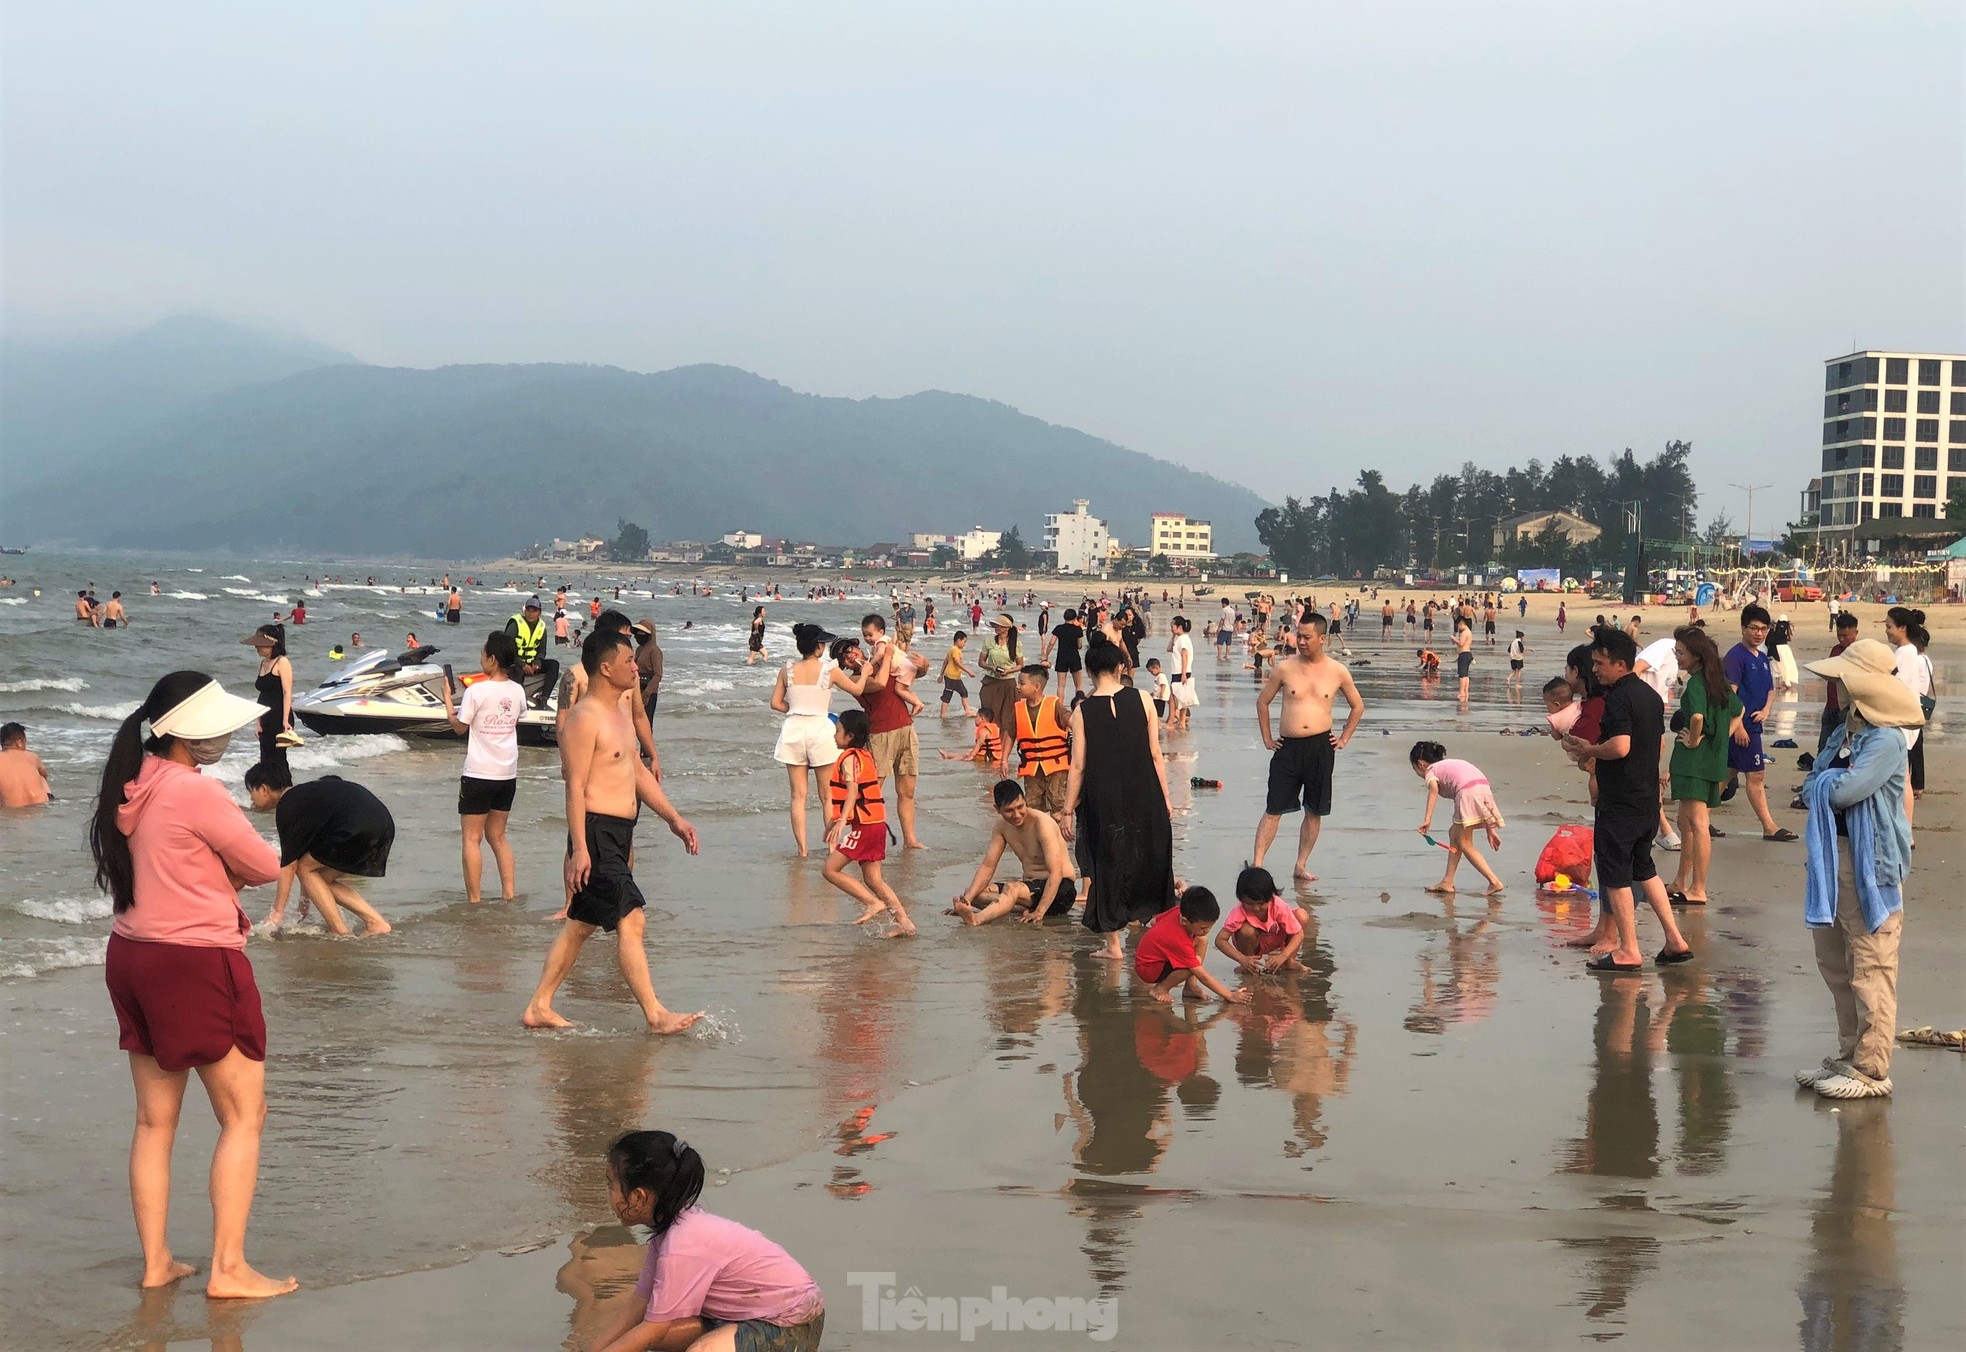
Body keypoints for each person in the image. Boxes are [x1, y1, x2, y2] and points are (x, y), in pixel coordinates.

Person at [89, 671, 297, 1299]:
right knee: (244, 1114)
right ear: (191, 732)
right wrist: (223, 868)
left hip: (130, 954)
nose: (229, 735)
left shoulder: (133, 782)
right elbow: (265, 864)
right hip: (194, 960)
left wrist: (210, 866)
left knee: (155, 1122)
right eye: (220, 726)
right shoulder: (193, 792)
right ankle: (228, 1269)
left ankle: (157, 1263)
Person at [523, 629, 702, 1033]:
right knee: (632, 918)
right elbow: (574, 787)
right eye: (627, 662)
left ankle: (539, 1006)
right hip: (596, 832)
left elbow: (636, 772)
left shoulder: (619, 713)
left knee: (580, 925)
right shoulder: (583, 720)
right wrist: (580, 850)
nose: (635, 666)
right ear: (606, 668)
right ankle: (655, 1014)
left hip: (619, 833)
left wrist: (674, 818)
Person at [1796, 639, 1921, 1100]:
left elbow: (1842, 790)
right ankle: (1849, 1054)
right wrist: (1822, 783)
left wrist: (1821, 783)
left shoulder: (1887, 739)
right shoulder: (1843, 731)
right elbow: (1816, 781)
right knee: (1834, 961)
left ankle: (1871, 1067)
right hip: (1833, 858)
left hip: (1874, 863)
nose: (1837, 688)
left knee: (1871, 963)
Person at [586, 1131, 824, 1352]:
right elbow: (639, 1303)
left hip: (790, 1322)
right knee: (656, 1337)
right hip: (747, 1314)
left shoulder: (681, 1245)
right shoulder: (667, 1233)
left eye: (611, 1185)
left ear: (638, 1197)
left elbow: (653, 1329)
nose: (609, 1194)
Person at [1560, 628, 1695, 970]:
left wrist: (1589, 749)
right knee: (1644, 868)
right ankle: (1674, 940)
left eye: (1600, 663)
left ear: (1620, 664)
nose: (1595, 670)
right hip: (1647, 798)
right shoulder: (1649, 695)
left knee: (1617, 873)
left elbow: (1620, 746)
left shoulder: (1618, 698)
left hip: (1621, 800)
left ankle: (1628, 950)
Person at [1065, 642, 1174, 961]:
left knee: (1106, 863)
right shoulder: (1143, 698)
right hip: (1145, 790)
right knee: (1150, 858)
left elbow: (1078, 766)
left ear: (1088, 672)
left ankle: (1114, 947)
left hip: (1103, 797)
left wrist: (1067, 810)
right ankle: (1154, 931)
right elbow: (1156, 753)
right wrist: (1166, 798)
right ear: (1120, 668)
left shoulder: (1082, 710)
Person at [1252, 614, 1364, 883]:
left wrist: (1345, 738)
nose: (1300, 641)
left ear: (1321, 639)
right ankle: (1257, 864)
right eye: (1298, 636)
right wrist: (1267, 738)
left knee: (1314, 810)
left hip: (1320, 747)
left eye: (1306, 637)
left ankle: (1301, 864)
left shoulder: (1337, 671)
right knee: (1274, 807)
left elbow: (1357, 706)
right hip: (1287, 747)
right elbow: (1262, 702)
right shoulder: (1285, 668)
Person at [245, 762, 396, 936]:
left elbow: (290, 865)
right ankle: (376, 922)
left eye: (251, 792)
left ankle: (340, 929)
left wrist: (276, 914)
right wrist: (303, 907)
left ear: (264, 789)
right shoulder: (306, 798)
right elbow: (304, 860)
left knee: (306, 869)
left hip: (356, 828)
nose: (251, 799)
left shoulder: (288, 805)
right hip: (383, 825)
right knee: (320, 878)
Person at [440, 631, 525, 904]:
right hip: (507, 773)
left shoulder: (476, 691)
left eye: (483, 654)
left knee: (471, 839)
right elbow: (517, 717)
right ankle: (508, 894)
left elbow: (458, 728)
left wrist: (447, 703)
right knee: (498, 837)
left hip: (479, 772)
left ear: (492, 658)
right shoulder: (517, 690)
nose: (480, 659)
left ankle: (474, 900)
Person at [1664, 624, 1741, 907]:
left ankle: (1698, 887)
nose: (1677, 656)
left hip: (1695, 761)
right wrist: (1720, 738)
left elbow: (1696, 718)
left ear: (1696, 655)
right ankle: (1681, 881)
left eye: (1681, 652)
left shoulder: (1696, 684)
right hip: (1712, 759)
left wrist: (1696, 740)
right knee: (1685, 821)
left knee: (1697, 823)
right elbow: (1739, 711)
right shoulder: (1716, 681)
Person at [821, 709, 915, 936]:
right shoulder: (863, 756)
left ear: (850, 736)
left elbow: (852, 792)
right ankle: (905, 924)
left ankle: (872, 903)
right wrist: (831, 826)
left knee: (830, 870)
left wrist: (842, 820)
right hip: (876, 824)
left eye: (838, 731)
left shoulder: (850, 759)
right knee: (874, 879)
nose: (834, 736)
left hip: (866, 827)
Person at [948, 779, 1078, 925]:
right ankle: (1007, 906)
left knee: (1012, 889)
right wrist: (967, 901)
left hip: (1061, 891)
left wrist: (1039, 912)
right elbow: (988, 866)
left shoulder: (1042, 823)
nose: (1017, 815)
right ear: (997, 809)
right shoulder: (1001, 826)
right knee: (974, 893)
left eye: (1020, 807)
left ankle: (976, 920)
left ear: (1025, 801)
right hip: (1030, 888)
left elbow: (1056, 872)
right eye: (1009, 810)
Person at [1722, 604, 1796, 841]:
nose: (1759, 633)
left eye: (1763, 629)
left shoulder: (1763, 657)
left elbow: (1770, 689)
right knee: (1756, 775)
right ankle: (1769, 826)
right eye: (1754, 628)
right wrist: (1739, 726)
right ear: (1743, 628)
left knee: (1727, 774)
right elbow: (1729, 696)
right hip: (1741, 727)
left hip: (1755, 723)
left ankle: (1699, 814)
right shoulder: (1735, 657)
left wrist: (1766, 710)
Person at [769, 625, 843, 858]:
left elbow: (775, 703)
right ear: (819, 646)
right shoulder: (830, 670)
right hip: (820, 729)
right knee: (827, 796)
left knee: (797, 796)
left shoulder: (787, 669)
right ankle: (832, 847)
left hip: (794, 729)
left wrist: (796, 709)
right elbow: (857, 689)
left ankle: (802, 850)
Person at [854, 614, 926, 850]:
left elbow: (905, 673)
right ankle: (862, 836)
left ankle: (911, 839)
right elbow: (883, 683)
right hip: (880, 734)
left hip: (905, 726)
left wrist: (924, 666)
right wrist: (884, 657)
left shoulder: (878, 661)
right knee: (872, 789)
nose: (852, 656)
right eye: (846, 657)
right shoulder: (855, 679)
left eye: (853, 650)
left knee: (907, 790)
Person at [1409, 741, 1506, 895]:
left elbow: (1433, 790)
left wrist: (1427, 819)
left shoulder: (1431, 771)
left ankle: (1494, 881)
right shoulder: (1448, 765)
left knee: (1464, 842)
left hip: (1467, 792)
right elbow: (1480, 793)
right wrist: (1490, 828)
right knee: (1454, 833)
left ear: (1420, 764)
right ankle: (1447, 881)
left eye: (1415, 769)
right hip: (1483, 790)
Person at [1133, 886, 1251, 1005]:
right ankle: (1160, 990)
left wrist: (1161, 945)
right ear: (1185, 921)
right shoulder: (1178, 940)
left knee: (1201, 939)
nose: (1208, 930)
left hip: (1151, 959)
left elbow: (1155, 922)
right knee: (1193, 965)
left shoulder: (1177, 911)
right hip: (1148, 969)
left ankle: (1191, 987)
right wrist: (1229, 995)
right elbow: (1202, 975)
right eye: (1203, 928)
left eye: (1211, 926)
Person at [1884, 606, 1932, 842]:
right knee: (1903, 779)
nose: (1887, 631)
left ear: (1902, 628)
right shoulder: (1912, 651)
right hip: (1907, 720)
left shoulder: (1904, 652)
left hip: (1900, 722)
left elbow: (1896, 688)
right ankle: (1905, 833)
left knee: (1898, 780)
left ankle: (1903, 832)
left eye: (1889, 627)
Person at [1212, 866, 1306, 975]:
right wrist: (1241, 958)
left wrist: (1283, 956)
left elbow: (1298, 934)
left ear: (1271, 897)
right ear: (1241, 899)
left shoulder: (1278, 906)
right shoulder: (1240, 911)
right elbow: (1220, 940)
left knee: (1301, 915)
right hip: (1252, 943)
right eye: (1250, 904)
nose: (1256, 908)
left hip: (1277, 938)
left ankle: (1289, 961)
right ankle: (1250, 965)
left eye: (1261, 903)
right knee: (1246, 930)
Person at [1009, 664, 1071, 823]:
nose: (1018, 687)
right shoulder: (1018, 708)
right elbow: (1010, 734)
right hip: (1032, 767)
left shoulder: (1055, 705)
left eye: (1022, 683)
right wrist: (1003, 759)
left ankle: (1059, 842)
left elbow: (1073, 722)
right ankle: (1037, 842)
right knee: (1032, 808)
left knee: (1058, 804)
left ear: (1036, 686)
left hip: (1056, 766)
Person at [242, 624, 294, 772]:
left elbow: (287, 692)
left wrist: (285, 721)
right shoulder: (263, 663)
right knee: (265, 757)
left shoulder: (282, 662)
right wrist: (258, 722)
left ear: (272, 643)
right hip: (264, 716)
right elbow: (262, 695)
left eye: (260, 645)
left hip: (279, 716)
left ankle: (286, 790)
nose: (257, 648)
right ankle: (272, 791)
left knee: (277, 758)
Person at [1817, 609, 1861, 751]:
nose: (1842, 639)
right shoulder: (1836, 650)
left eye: (1845, 636)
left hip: (1847, 709)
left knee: (1844, 748)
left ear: (1855, 633)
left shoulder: (1859, 653)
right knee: (1824, 747)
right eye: (1839, 635)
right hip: (1830, 705)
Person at [505, 598, 561, 710]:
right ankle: (520, 703)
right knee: (517, 672)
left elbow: (542, 650)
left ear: (539, 612)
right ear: (524, 611)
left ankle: (543, 698)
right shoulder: (515, 624)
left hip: (531, 662)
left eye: (534, 611)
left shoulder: (541, 627)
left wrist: (538, 662)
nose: (531, 613)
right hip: (515, 662)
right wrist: (522, 665)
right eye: (528, 610)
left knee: (554, 665)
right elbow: (507, 649)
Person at [976, 612, 1022, 731]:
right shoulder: (989, 641)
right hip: (990, 682)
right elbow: (981, 662)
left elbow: (1020, 665)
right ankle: (987, 743)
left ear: (1007, 628)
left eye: (999, 625)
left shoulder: (1016, 644)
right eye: (995, 625)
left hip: (1008, 683)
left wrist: (1009, 670)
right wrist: (992, 668)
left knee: (1006, 717)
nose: (996, 628)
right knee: (988, 715)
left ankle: (1000, 746)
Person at [0, 721, 51, 806]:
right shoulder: (32, 757)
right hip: (42, 808)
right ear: (19, 743)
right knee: (41, 777)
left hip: (13, 812)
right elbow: (45, 775)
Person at [1167, 615, 1198, 731]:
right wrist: (1173, 635)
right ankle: (1180, 722)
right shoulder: (1178, 638)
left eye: (1172, 626)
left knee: (1176, 697)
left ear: (1179, 627)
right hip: (1178, 671)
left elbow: (1184, 655)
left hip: (1181, 671)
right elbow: (1169, 648)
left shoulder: (1183, 639)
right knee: (1179, 697)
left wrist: (1184, 673)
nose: (1171, 628)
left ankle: (1175, 721)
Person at [938, 630, 975, 718]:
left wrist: (941, 675)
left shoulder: (952, 649)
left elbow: (945, 662)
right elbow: (957, 663)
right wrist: (968, 671)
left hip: (956, 677)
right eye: (964, 641)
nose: (964, 644)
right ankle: (943, 715)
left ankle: (967, 711)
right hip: (951, 677)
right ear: (958, 641)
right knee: (947, 696)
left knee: (964, 692)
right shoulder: (955, 650)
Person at [634, 620, 664, 723]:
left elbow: (658, 675)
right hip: (637, 690)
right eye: (637, 633)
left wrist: (646, 694)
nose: (638, 636)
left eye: (642, 634)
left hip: (649, 692)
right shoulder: (639, 649)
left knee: (646, 722)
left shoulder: (655, 651)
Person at [1452, 617, 1474, 704]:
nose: (1458, 628)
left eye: (1458, 626)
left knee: (1462, 675)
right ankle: (1465, 692)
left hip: (1464, 654)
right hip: (1468, 653)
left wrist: (1454, 639)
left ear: (1462, 624)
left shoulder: (1465, 632)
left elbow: (1461, 643)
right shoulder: (1469, 632)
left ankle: (1462, 692)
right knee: (1466, 675)